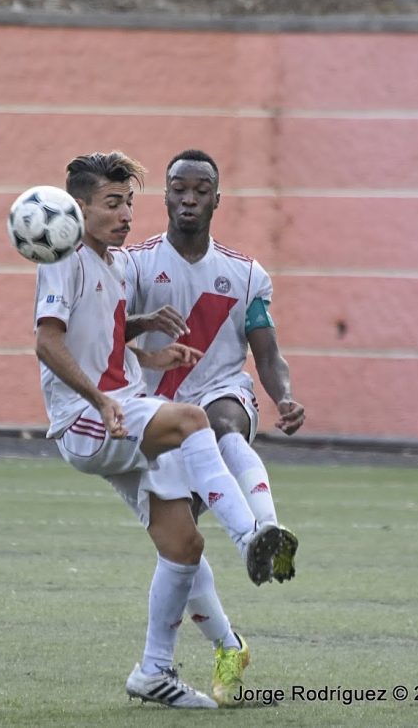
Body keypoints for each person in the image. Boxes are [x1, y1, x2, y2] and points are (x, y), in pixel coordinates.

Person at [34, 151, 289, 709]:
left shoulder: (112, 265)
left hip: (119, 408)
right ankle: (252, 536)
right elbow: (47, 343)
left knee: (183, 543)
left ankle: (155, 670)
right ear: (78, 208)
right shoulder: (65, 258)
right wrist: (100, 399)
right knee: (195, 419)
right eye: (112, 204)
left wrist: (147, 343)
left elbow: (101, 340)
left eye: (129, 202)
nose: (126, 215)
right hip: (90, 419)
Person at [123, 149, 304, 701]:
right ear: (165, 197)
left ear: (216, 200)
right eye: (179, 189)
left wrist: (284, 397)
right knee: (181, 546)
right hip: (156, 418)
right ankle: (228, 645)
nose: (189, 199)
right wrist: (142, 333)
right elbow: (107, 333)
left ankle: (265, 532)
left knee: (224, 424)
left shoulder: (246, 275)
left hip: (222, 391)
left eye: (200, 191)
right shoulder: (135, 265)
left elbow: (266, 352)